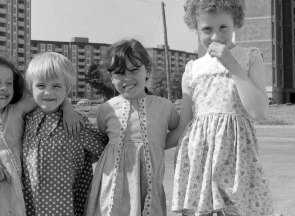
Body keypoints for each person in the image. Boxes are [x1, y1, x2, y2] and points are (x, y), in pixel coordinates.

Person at [168, 0, 274, 215]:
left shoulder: (249, 57)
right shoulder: (193, 68)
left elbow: (259, 112)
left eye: (223, 27)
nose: (215, 36)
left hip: (237, 158)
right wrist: (148, 142)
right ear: (196, 30)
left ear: (235, 23)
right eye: (207, 29)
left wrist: (231, 64)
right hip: (199, 157)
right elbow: (184, 124)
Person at [0, 54, 81, 216]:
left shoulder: (16, 112)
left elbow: (47, 97)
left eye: (9, 83)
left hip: (10, 205)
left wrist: (68, 107)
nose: (4, 87)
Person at [85, 39, 180, 215]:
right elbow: (102, 143)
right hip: (111, 186)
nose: (127, 77)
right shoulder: (106, 109)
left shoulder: (165, 106)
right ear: (111, 78)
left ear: (147, 71)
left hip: (148, 185)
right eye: (119, 73)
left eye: (134, 69)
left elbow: (180, 130)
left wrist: (157, 145)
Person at [21, 52, 108, 216]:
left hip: (67, 206)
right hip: (30, 206)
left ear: (68, 88)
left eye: (56, 86)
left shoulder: (75, 123)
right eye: (41, 86)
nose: (48, 92)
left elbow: (105, 151)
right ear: (30, 87)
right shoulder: (24, 120)